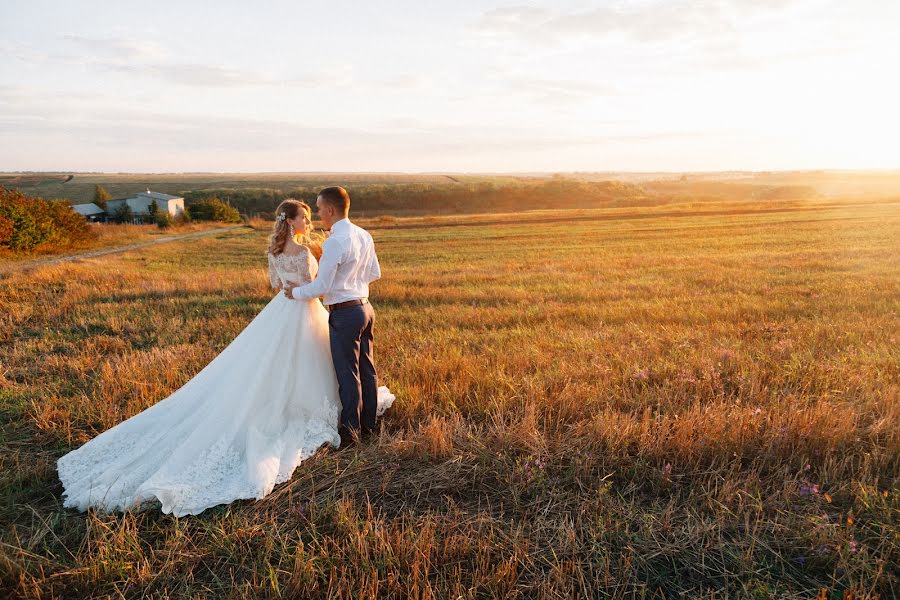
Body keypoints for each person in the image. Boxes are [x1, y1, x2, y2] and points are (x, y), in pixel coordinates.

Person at [56, 199, 394, 516]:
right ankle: (351, 419)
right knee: (336, 366)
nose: (310, 219)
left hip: (282, 312)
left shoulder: (275, 253)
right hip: (312, 310)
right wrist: (307, 290)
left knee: (271, 367)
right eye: (304, 216)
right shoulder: (308, 251)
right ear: (291, 222)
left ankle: (338, 415)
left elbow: (277, 284)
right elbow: (316, 285)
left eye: (313, 213)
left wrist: (292, 291)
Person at [284, 187, 383, 446]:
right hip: (365, 308)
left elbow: (321, 287)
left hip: (345, 313)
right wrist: (353, 280)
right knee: (367, 370)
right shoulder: (364, 235)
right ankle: (369, 425)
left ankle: (351, 434)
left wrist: (295, 292)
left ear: (330, 210)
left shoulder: (335, 242)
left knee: (348, 374)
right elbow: (375, 273)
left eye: (318, 209)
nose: (317, 214)